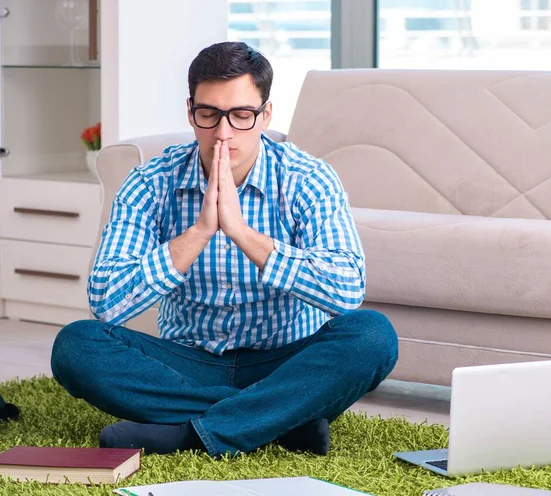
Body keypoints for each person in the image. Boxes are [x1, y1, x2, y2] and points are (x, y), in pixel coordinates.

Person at [50, 41, 398, 457]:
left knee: (373, 335)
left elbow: (346, 291)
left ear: (265, 115)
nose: (223, 132)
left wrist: (241, 233)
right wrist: (199, 232)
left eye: (241, 115)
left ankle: (188, 432)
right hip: (188, 364)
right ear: (190, 111)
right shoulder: (151, 181)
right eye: (209, 114)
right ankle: (281, 423)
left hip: (285, 364)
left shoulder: (307, 178)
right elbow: (106, 301)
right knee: (75, 346)